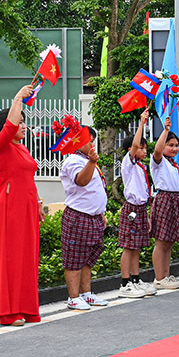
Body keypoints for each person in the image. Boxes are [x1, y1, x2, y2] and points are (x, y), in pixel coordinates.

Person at [0, 86, 45, 326]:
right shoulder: (1, 147)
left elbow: (28, 180)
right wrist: (17, 98)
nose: (23, 125)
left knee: (27, 258)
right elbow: (10, 126)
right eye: (20, 121)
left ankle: (27, 308)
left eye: (25, 122)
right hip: (10, 207)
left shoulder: (22, 148)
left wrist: (38, 206)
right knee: (11, 258)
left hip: (26, 208)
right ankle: (9, 312)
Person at [60, 122, 109, 311]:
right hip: (78, 216)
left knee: (88, 257)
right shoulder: (73, 160)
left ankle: (86, 293)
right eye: (89, 140)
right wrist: (92, 162)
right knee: (74, 258)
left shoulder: (88, 160)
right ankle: (73, 297)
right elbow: (81, 181)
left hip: (94, 217)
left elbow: (95, 190)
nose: (92, 144)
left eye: (93, 140)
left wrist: (101, 212)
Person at [117, 111, 156, 299]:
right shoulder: (129, 163)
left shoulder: (141, 166)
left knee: (137, 246)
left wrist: (147, 214)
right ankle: (124, 283)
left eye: (145, 147)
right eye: (141, 148)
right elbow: (133, 145)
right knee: (128, 246)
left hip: (140, 209)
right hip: (131, 209)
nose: (144, 150)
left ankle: (135, 279)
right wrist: (141, 123)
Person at [150, 116, 179, 290]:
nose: (173, 148)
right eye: (170, 145)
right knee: (162, 240)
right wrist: (165, 131)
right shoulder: (158, 162)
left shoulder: (174, 165)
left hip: (176, 200)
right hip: (165, 199)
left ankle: (166, 274)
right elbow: (157, 151)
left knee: (170, 240)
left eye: (175, 145)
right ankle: (159, 277)